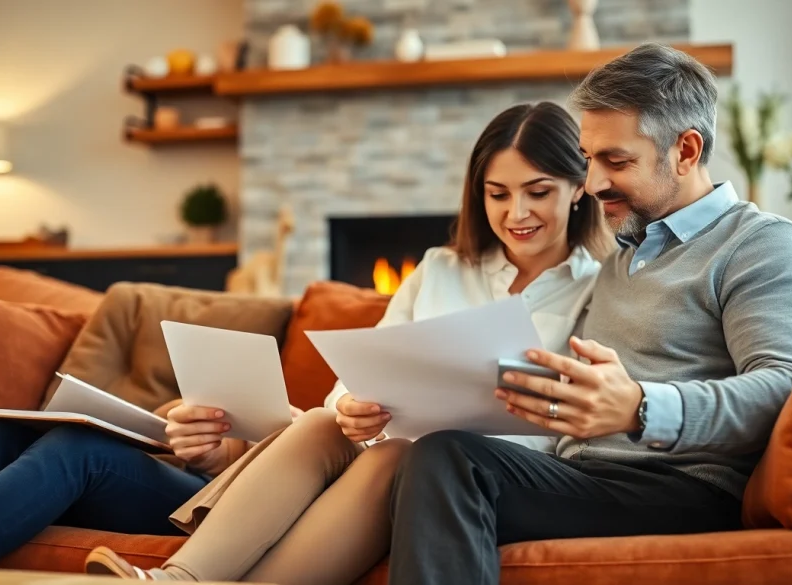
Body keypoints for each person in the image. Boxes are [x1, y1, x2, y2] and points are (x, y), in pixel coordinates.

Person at [82, 101, 612, 583]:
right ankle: (178, 580)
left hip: (480, 473)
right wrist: (354, 407)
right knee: (319, 421)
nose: (516, 213)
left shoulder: (600, 287)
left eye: (538, 192)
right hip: (386, 448)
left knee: (397, 456)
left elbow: (575, 431)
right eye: (498, 194)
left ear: (578, 188)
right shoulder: (439, 268)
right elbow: (351, 385)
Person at [384, 42, 792, 585]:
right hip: (582, 475)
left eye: (616, 161)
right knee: (418, 457)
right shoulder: (623, 255)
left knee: (450, 461)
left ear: (686, 151)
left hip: (680, 486)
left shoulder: (762, 246)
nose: (594, 183)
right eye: (589, 158)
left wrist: (642, 408)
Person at [0, 394, 302, 567]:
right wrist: (214, 446)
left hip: (255, 505)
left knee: (78, 451)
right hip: (227, 476)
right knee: (7, 433)